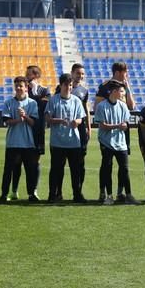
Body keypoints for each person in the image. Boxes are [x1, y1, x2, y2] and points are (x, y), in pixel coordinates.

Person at [95, 61, 136, 201]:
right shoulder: (105, 86)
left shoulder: (124, 87)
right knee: (107, 165)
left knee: (123, 165)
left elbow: (131, 106)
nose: (127, 74)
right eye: (126, 72)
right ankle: (104, 192)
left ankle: (120, 193)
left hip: (121, 132)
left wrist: (128, 87)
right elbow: (97, 106)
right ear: (118, 72)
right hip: (108, 134)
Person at [9, 65, 49, 200]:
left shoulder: (44, 90)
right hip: (22, 129)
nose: (26, 77)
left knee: (35, 161)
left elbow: (44, 107)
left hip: (37, 130)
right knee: (17, 160)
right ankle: (14, 190)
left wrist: (35, 90)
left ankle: (34, 190)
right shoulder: (24, 90)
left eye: (29, 75)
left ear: (36, 76)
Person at [45, 73, 87, 204]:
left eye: (70, 85)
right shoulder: (54, 100)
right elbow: (47, 118)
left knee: (76, 170)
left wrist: (77, 122)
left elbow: (81, 117)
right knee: (56, 170)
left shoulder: (76, 101)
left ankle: (77, 194)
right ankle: (53, 194)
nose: (68, 88)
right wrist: (57, 120)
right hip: (58, 141)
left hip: (73, 142)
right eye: (66, 85)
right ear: (61, 85)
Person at [0, 76, 39, 203]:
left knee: (30, 170)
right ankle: (4, 194)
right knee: (8, 170)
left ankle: (31, 194)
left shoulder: (32, 103)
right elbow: (6, 121)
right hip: (13, 142)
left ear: (26, 87)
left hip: (28, 142)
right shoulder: (8, 103)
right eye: (16, 86)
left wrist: (25, 116)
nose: (18, 88)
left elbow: (34, 123)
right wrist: (18, 120)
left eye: (21, 86)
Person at [71, 63, 91, 196]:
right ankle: (58, 192)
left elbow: (86, 109)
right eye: (78, 73)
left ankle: (78, 191)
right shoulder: (62, 87)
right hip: (67, 127)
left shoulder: (84, 90)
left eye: (82, 74)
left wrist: (89, 127)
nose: (80, 76)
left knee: (80, 162)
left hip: (81, 127)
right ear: (72, 73)